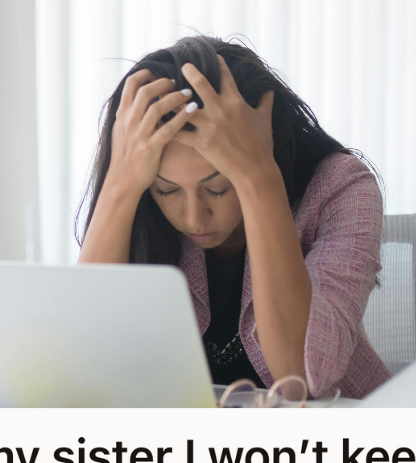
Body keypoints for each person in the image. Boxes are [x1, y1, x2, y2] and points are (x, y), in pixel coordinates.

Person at [77, 36, 391, 399]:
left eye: (219, 188)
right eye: (167, 190)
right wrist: (121, 184)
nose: (195, 218)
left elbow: (301, 377)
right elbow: (84, 361)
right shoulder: (139, 200)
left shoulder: (341, 187)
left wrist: (258, 177)